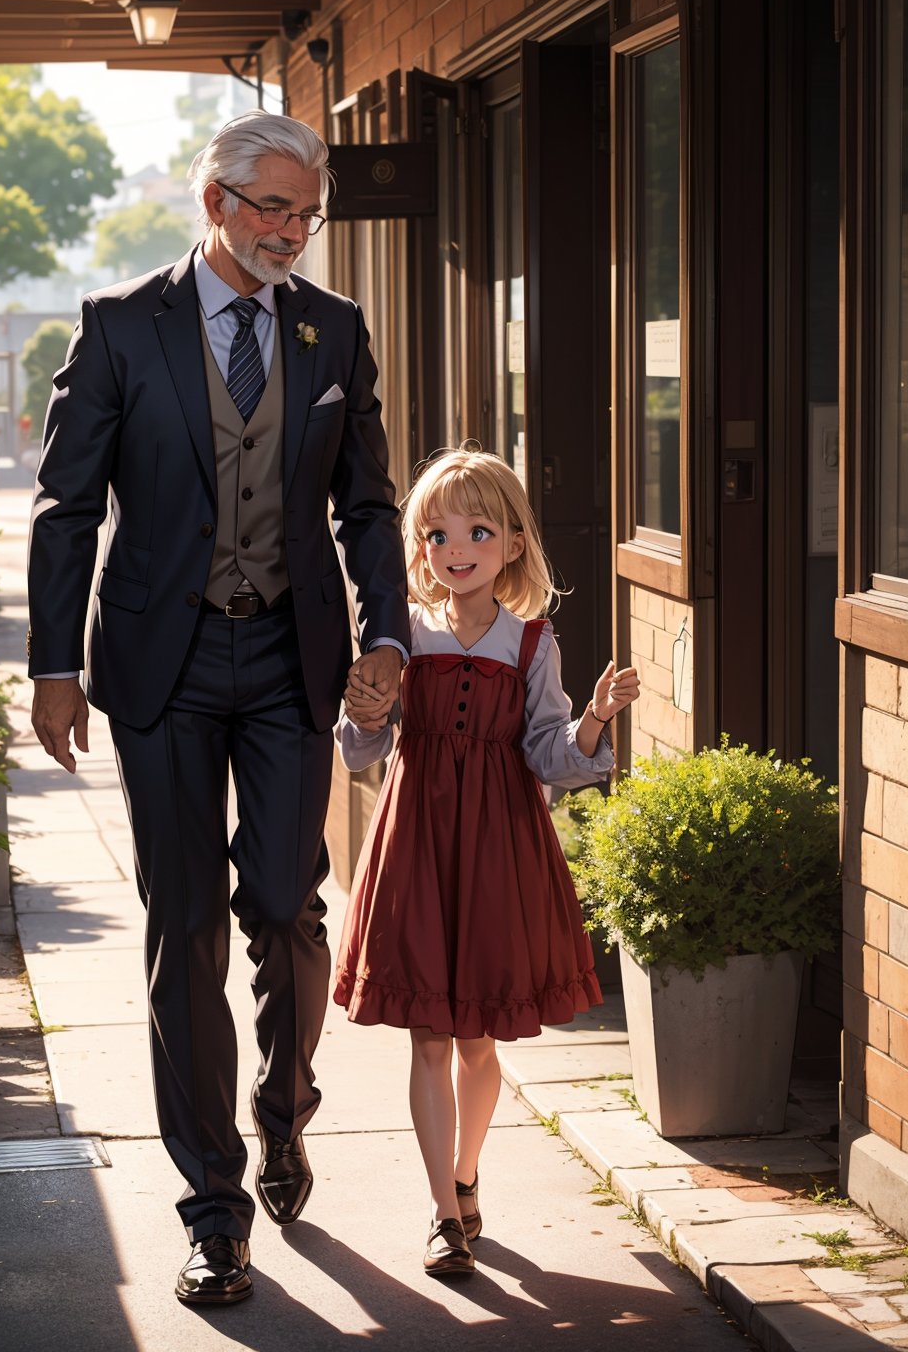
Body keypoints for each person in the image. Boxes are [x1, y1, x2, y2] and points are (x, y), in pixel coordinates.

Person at [26, 110, 409, 1307]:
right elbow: (65, 506)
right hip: (161, 669)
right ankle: (212, 1203)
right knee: (181, 921)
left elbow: (370, 505)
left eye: (307, 214)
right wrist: (53, 664)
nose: (292, 231)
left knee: (287, 908)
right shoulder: (120, 329)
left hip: (291, 661)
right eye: (273, 210)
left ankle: (284, 1101)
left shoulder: (333, 331)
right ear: (216, 204)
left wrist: (386, 633)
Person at [334, 448, 639, 1275]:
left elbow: (549, 752)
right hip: (417, 848)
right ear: (419, 544)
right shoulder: (402, 634)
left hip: (501, 850)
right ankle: (443, 1213)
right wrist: (362, 710)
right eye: (436, 532)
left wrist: (594, 725)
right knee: (428, 1035)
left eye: (477, 529)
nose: (454, 547)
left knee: (476, 1043)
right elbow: (363, 747)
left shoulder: (533, 643)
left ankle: (468, 1174)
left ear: (511, 544)